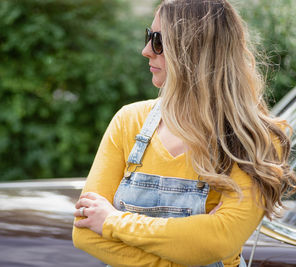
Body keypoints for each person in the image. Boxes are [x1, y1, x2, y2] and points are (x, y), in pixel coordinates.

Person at [72, 0, 296, 266]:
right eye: (148, 36)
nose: (146, 51)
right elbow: (85, 233)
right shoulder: (128, 121)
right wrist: (189, 249)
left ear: (195, 52)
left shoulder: (256, 139)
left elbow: (219, 240)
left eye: (158, 41)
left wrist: (111, 221)